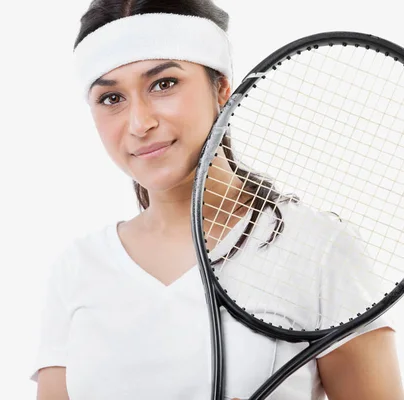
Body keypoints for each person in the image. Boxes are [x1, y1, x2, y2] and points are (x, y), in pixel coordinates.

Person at [30, 1, 404, 399]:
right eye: (111, 99)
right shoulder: (77, 269)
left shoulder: (319, 250)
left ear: (222, 88)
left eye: (164, 84)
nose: (140, 123)